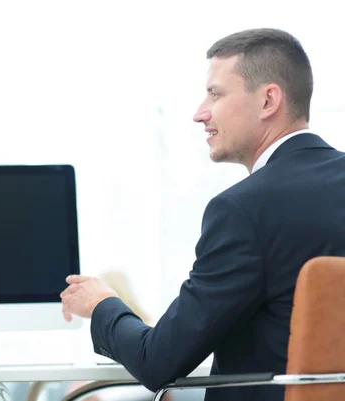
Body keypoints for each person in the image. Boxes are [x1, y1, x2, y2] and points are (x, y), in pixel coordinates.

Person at [60, 28, 345, 401]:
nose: (200, 113)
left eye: (216, 94)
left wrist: (102, 305)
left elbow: (158, 360)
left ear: (268, 100)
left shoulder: (243, 210)